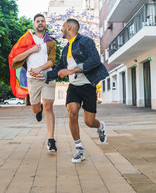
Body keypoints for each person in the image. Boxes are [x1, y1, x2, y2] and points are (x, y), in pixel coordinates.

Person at [30, 18, 109, 163]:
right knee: (72, 114)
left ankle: (100, 126)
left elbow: (95, 60)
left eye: (62, 27)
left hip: (88, 85)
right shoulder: (66, 49)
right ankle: (79, 149)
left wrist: (71, 70)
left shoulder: (86, 42)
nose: (61, 29)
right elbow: (60, 68)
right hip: (74, 87)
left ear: (69, 28)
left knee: (89, 121)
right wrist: (44, 74)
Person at [11, 13, 57, 152]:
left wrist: (40, 69)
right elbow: (15, 59)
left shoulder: (51, 42)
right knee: (36, 108)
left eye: (43, 21)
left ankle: (51, 139)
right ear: (34, 25)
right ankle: (38, 110)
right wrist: (31, 50)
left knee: (49, 105)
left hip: (47, 76)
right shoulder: (27, 41)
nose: (40, 23)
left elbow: (52, 61)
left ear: (45, 24)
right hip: (33, 80)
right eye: (38, 21)